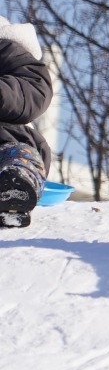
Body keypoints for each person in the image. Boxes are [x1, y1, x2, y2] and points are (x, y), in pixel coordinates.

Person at [0, 15, 55, 229]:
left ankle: (13, 191)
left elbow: (34, 87)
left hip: (7, 139)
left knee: (20, 155)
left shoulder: (8, 49)